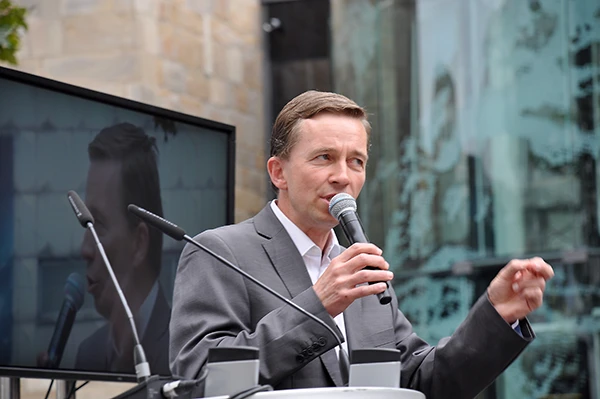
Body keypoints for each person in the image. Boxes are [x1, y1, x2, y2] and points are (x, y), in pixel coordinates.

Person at [169, 91, 554, 398]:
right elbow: (200, 379)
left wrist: (497, 315)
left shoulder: (361, 269)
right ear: (278, 172)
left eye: (356, 161)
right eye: (324, 158)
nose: (342, 176)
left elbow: (424, 383)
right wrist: (319, 304)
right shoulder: (219, 252)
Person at [76, 123, 171, 375]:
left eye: (98, 226)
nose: (85, 250)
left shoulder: (186, 348)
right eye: (86, 225)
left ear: (139, 242)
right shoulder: (87, 353)